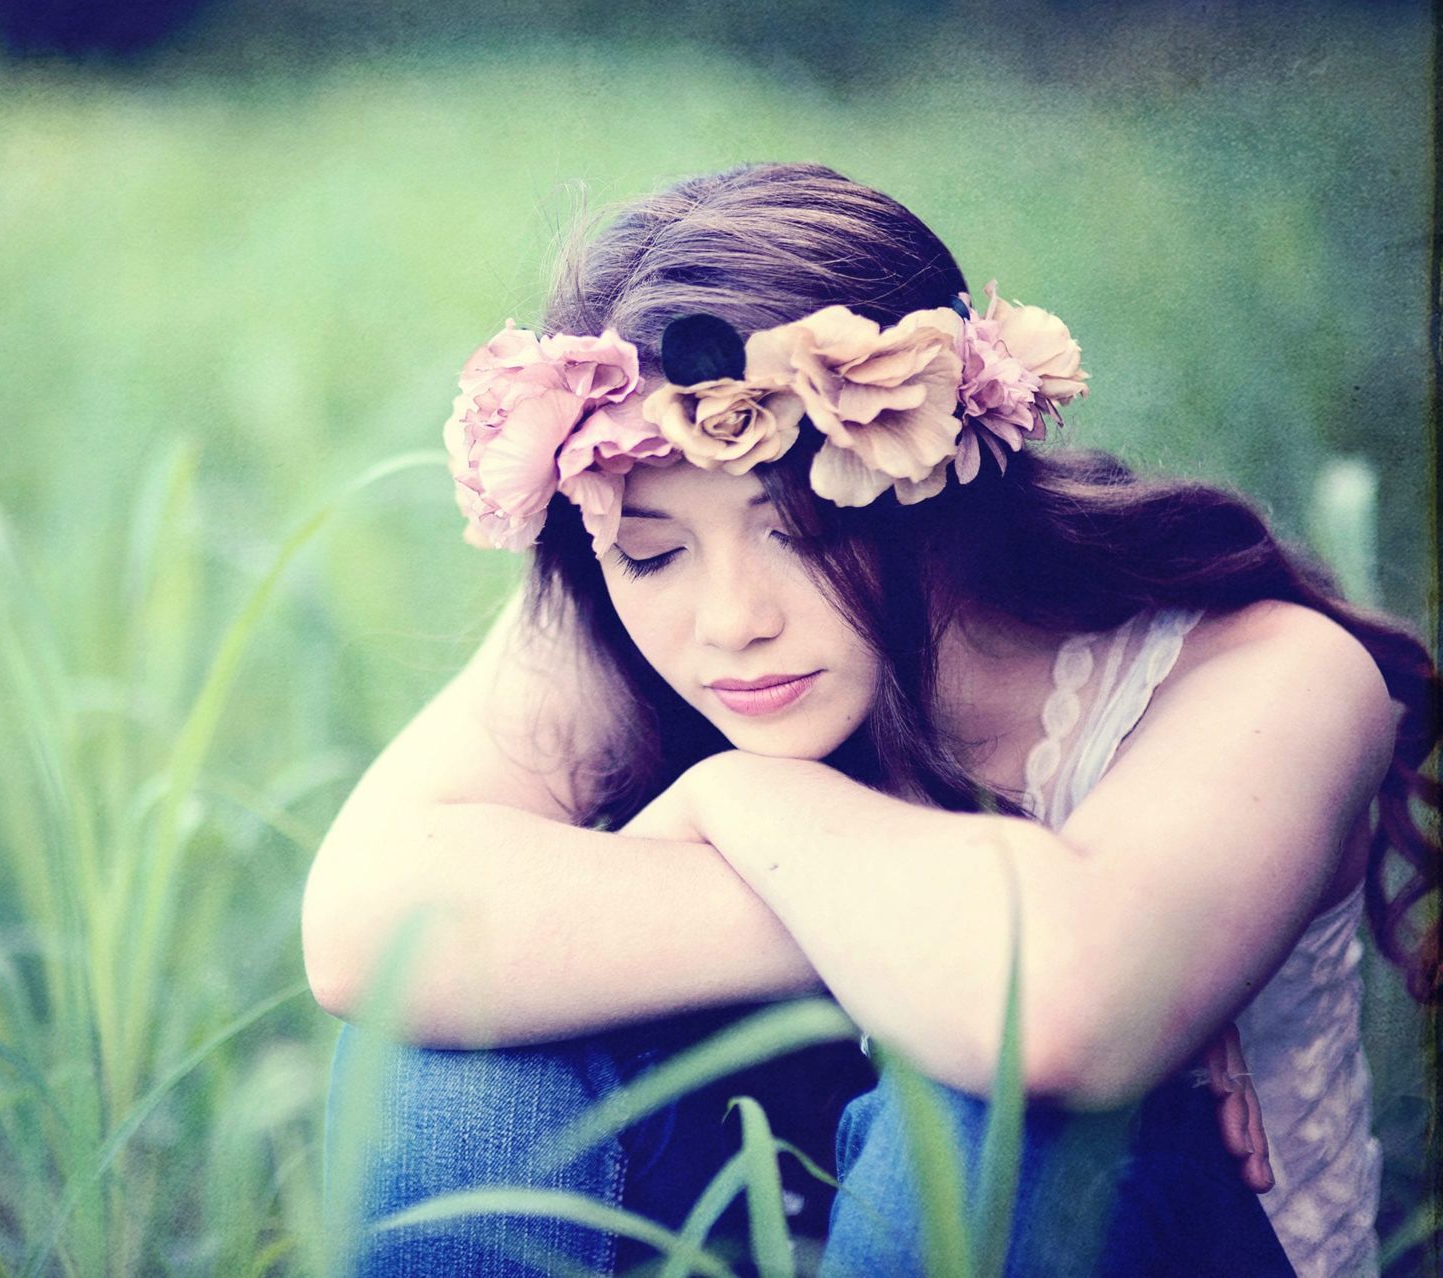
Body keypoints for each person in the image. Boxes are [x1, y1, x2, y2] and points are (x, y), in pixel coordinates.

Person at [300, 162, 1439, 1276]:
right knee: (452, 1048)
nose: (730, 620)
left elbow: (1048, 1011)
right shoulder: (623, 620)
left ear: (929, 477)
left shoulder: (1267, 673)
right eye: (654, 550)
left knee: (992, 1091)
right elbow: (373, 932)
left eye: (800, 527)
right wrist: (903, 918)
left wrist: (737, 796)